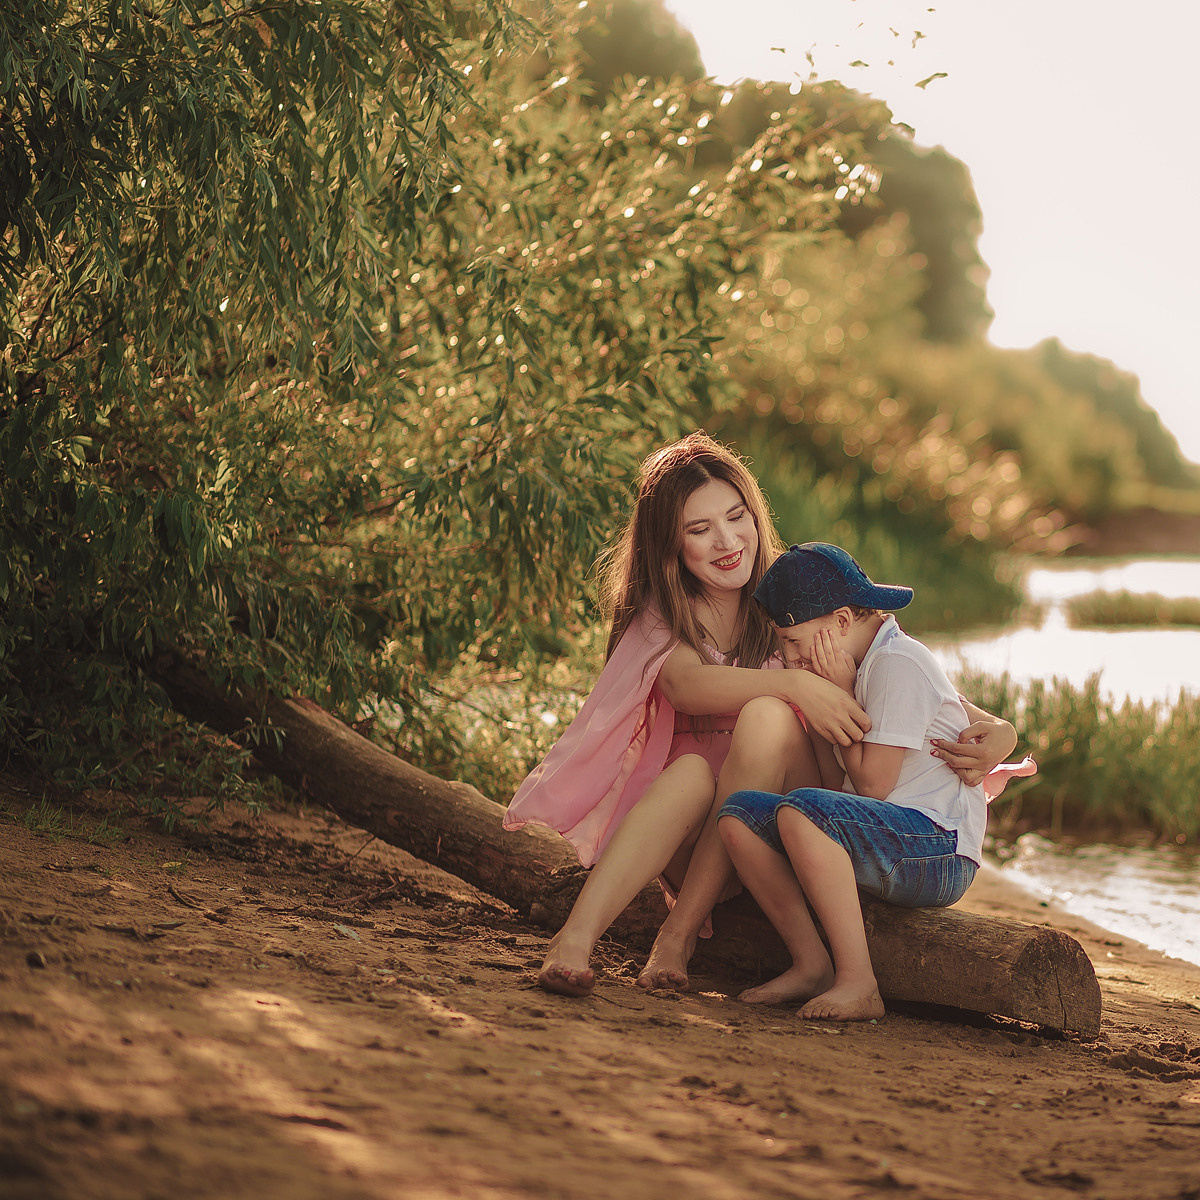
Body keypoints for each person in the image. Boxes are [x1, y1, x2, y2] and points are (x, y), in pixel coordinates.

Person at [503, 434, 1020, 997]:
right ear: (669, 547)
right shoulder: (666, 612)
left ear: (754, 512)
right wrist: (795, 682)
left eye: (736, 516)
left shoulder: (788, 598)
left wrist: (1001, 732)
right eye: (699, 530)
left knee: (769, 719)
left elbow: (925, 686)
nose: (727, 542)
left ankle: (677, 936)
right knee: (695, 771)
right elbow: (685, 685)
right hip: (695, 837)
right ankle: (575, 939)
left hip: (786, 824)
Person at [717, 542, 1035, 1022]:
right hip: (889, 834)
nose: (789, 657)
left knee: (801, 810)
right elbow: (832, 784)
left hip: (937, 846)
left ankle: (859, 982)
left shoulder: (897, 664)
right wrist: (828, 703)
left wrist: (841, 693)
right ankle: (811, 964)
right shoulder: (858, 666)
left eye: (796, 642)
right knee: (739, 815)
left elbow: (873, 788)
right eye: (784, 644)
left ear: (842, 622)